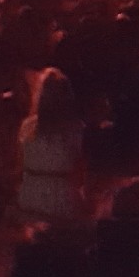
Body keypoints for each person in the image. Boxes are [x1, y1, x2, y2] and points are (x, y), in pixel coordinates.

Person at [17, 66, 87, 224]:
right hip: (62, 198)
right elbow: (80, 167)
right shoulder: (76, 129)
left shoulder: (28, 126)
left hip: (31, 195)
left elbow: (20, 163)